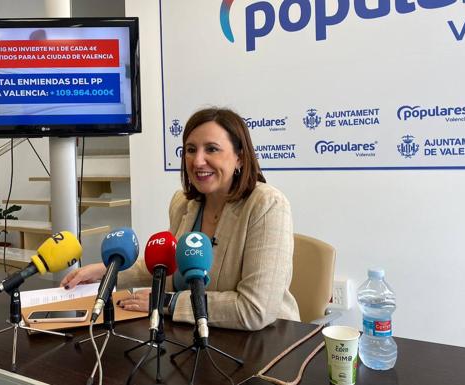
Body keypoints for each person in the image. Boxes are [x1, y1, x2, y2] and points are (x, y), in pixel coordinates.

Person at [61, 107, 299, 330]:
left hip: (264, 342)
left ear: (240, 157)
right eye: (191, 149)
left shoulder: (267, 205)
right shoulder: (183, 204)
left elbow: (255, 309)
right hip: (190, 334)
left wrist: (167, 302)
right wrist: (106, 272)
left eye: (212, 149)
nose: (198, 161)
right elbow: (163, 267)